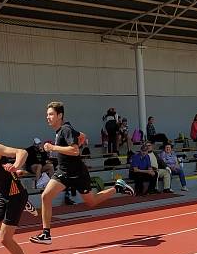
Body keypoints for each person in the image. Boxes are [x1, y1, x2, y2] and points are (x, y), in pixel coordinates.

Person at [31, 101, 135, 245]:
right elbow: (83, 136)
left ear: (59, 115)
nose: (47, 117)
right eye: (47, 115)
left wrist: (53, 147)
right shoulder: (64, 129)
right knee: (45, 196)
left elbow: (75, 151)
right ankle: (46, 234)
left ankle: (118, 187)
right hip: (63, 172)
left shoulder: (65, 129)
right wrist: (78, 141)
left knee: (91, 202)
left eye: (50, 114)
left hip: (78, 173)